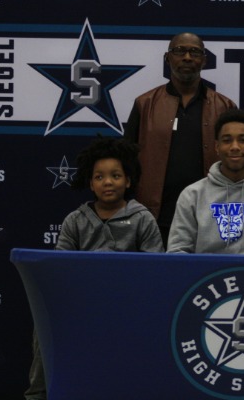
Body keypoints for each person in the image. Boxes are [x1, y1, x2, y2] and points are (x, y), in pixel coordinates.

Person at [24, 136, 163, 400]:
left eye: (115, 176)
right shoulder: (75, 221)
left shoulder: (143, 219)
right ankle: (38, 395)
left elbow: (154, 271)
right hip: (82, 304)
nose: (107, 182)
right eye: (99, 177)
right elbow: (59, 269)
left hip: (127, 306)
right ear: (90, 183)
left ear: (128, 180)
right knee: (45, 324)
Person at [124, 32, 237, 247]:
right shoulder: (145, 104)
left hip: (209, 217)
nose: (187, 57)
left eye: (194, 52)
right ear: (167, 58)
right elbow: (126, 162)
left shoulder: (225, 107)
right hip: (155, 217)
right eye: (179, 51)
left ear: (204, 60)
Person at [167, 109, 244, 255]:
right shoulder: (192, 195)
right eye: (227, 140)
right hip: (206, 271)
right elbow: (177, 251)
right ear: (217, 147)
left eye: (243, 140)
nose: (235, 147)